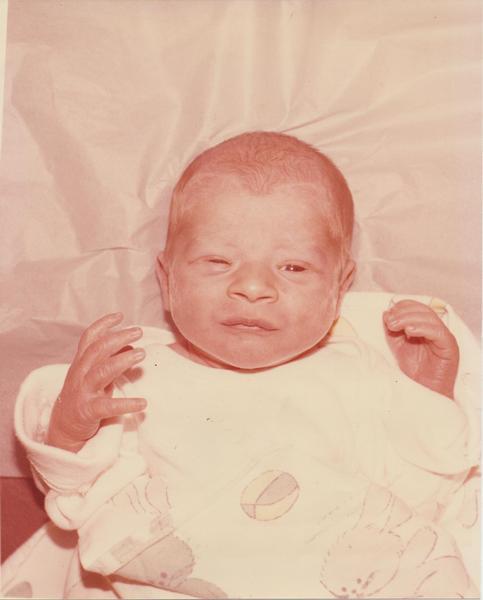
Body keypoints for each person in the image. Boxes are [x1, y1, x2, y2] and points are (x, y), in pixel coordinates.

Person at [15, 132, 478, 598]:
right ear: (167, 279)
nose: (253, 287)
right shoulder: (137, 377)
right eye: (219, 261)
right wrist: (71, 429)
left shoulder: (358, 373)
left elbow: (422, 503)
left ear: (340, 287)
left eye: (293, 267)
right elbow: (83, 497)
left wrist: (428, 395)